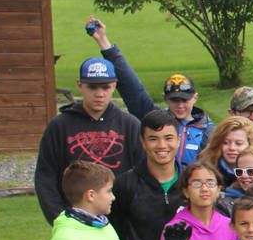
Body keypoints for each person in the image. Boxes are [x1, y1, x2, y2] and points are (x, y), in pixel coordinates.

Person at [87, 19, 211, 166]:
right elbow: (131, 87)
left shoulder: (209, 130)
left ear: (195, 98)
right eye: (174, 100)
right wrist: (103, 41)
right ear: (165, 98)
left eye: (185, 100)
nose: (180, 105)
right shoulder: (154, 119)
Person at [35, 55, 143, 223]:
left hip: (123, 220)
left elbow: (142, 175)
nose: (99, 94)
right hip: (74, 220)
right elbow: (45, 177)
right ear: (80, 85)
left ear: (114, 85)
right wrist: (59, 218)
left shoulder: (130, 125)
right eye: (92, 87)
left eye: (105, 87)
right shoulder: (60, 125)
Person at [108, 109, 183, 240]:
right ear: (142, 142)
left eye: (168, 138)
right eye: (153, 139)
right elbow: (114, 234)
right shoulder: (125, 185)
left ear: (178, 140)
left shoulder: (192, 182)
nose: (162, 145)